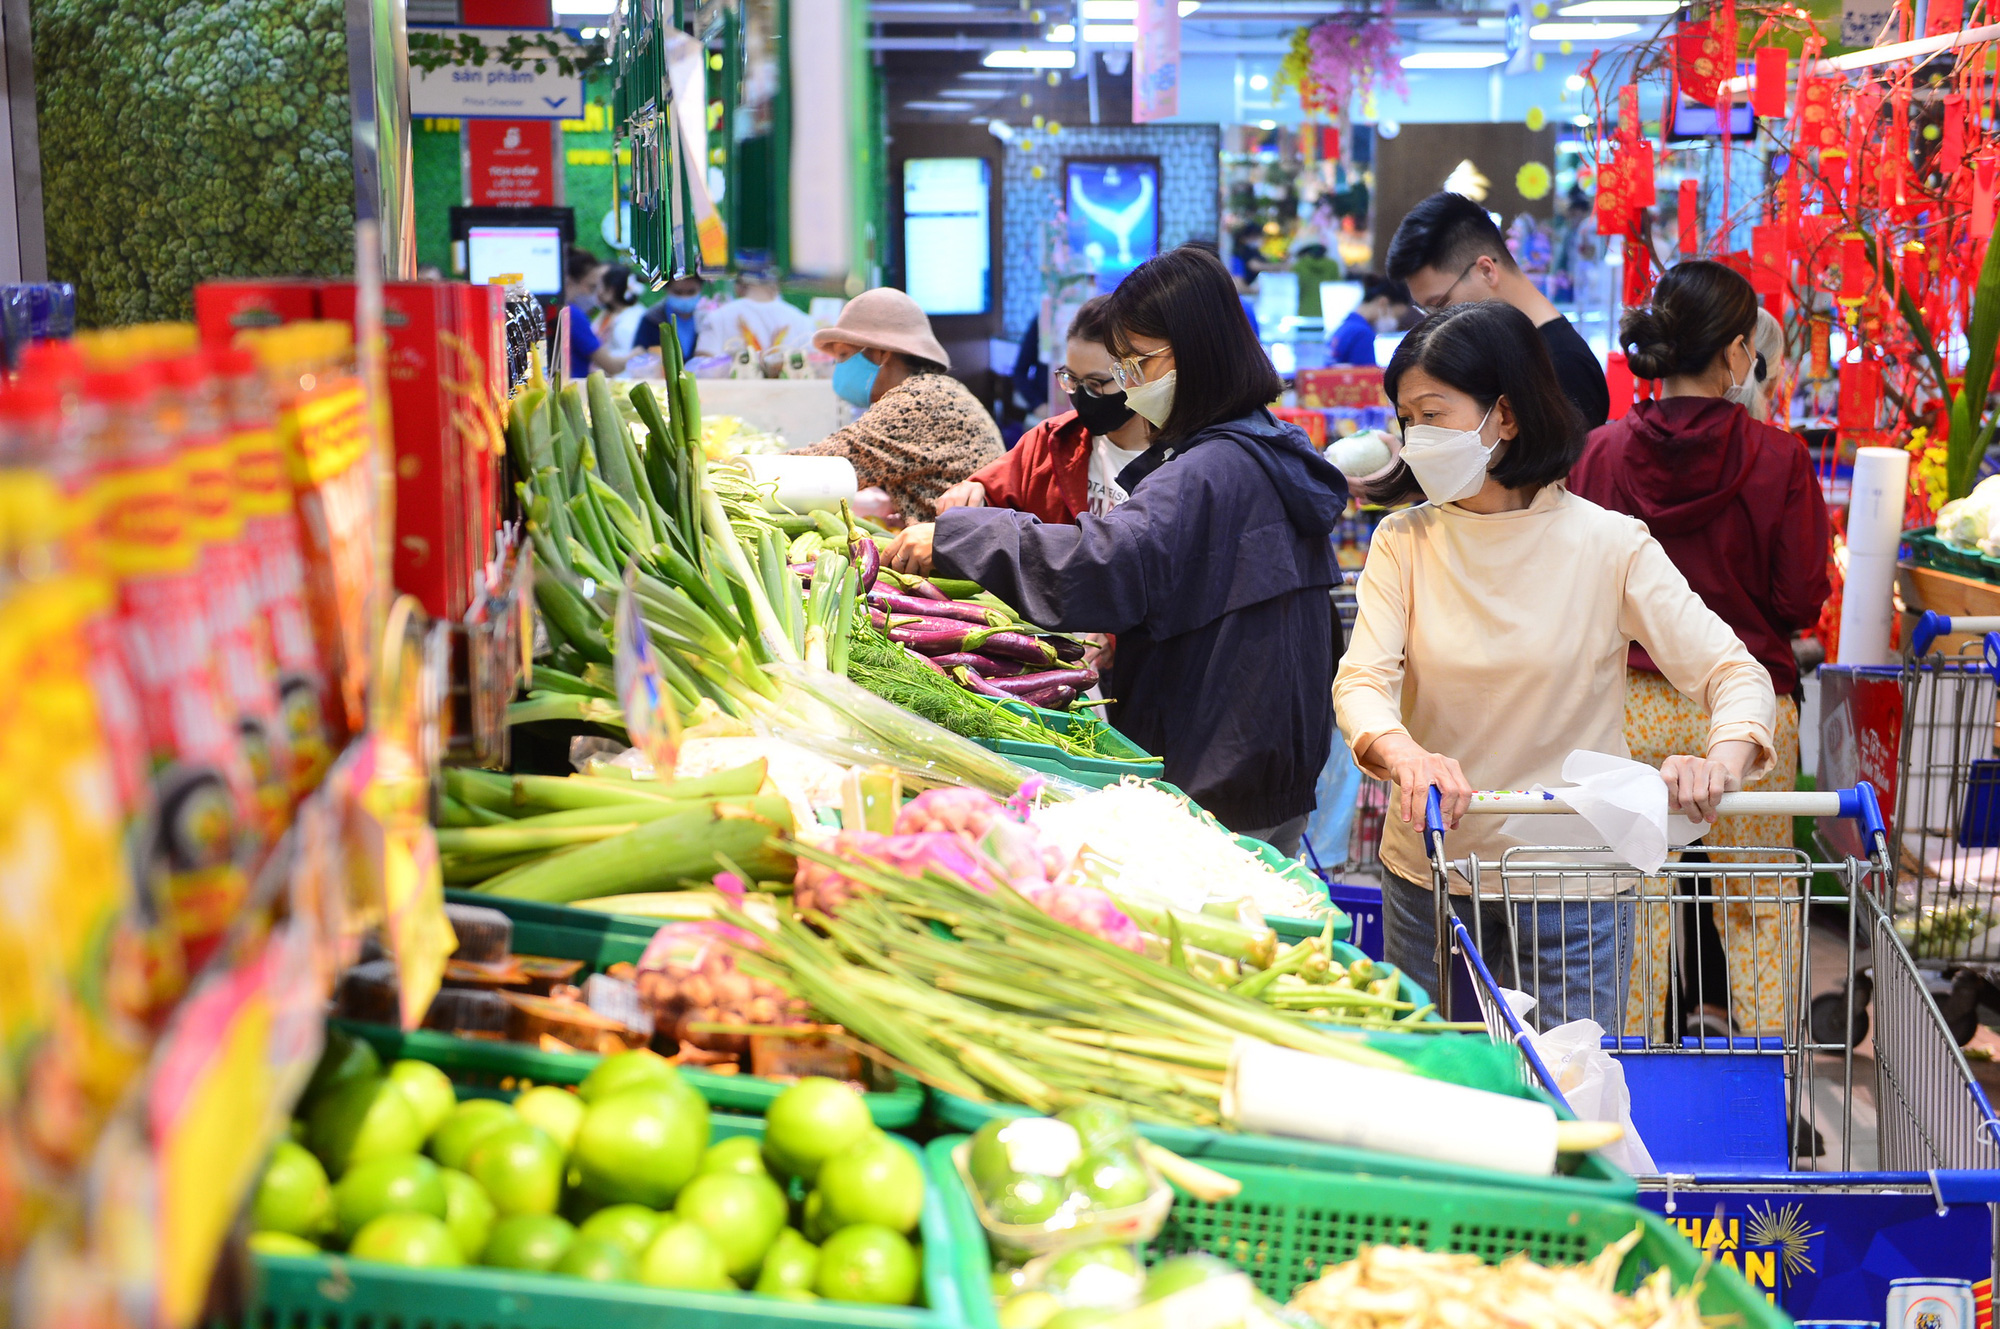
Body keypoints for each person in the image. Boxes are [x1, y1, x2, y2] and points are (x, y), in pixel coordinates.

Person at [1331, 300, 1775, 1028]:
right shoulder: (1403, 541)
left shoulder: (1608, 543)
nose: (1414, 439)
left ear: (1504, 415)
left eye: (1432, 413)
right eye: (1405, 419)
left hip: (1574, 884)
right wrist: (1405, 754)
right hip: (1433, 869)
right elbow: (1362, 682)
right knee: (1440, 1088)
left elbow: (1733, 671)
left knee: (1563, 1100)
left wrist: (1718, 761)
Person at [881, 244, 1351, 851]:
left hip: (1220, 772)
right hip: (1266, 758)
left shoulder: (1211, 469)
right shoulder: (1268, 443)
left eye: (1139, 364)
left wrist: (958, 537)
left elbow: (1104, 560)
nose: (1128, 387)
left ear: (1199, 353)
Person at [1567, 260, 1831, 1040]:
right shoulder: (1780, 459)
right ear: (1737, 351)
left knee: (1639, 903)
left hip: (1635, 704)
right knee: (1758, 904)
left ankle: (1638, 1086)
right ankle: (1765, 1091)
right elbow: (1797, 599)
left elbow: (1582, 589)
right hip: (1743, 715)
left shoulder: (1602, 452)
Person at [1386, 192, 1611, 429]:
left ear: (1486, 270)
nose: (1436, 322)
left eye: (1439, 305)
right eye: (1426, 311)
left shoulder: (1564, 366)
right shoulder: (1501, 350)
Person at [790, 287, 1002, 523]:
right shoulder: (939, 390)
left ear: (880, 354)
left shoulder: (916, 402)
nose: (838, 368)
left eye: (843, 356)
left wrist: (743, 467)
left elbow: (822, 466)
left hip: (957, 551)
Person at [934, 296, 1153, 523]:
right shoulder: (1052, 440)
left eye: (1095, 383)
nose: (1081, 395)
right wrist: (971, 493)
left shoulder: (1176, 462)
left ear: (1134, 376)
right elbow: (990, 487)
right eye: (1072, 379)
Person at [694, 265, 818, 358]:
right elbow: (818, 369)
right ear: (778, 283)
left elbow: (701, 367)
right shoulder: (803, 321)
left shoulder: (717, 318)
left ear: (738, 285)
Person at [562, 247, 632, 380]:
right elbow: (611, 366)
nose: (594, 294)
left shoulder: (562, 311)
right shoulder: (572, 315)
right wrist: (638, 353)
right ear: (571, 281)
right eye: (591, 287)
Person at [1330, 275, 1409, 368]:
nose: (1395, 323)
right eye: (1396, 316)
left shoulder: (1346, 326)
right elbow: (1367, 377)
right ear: (1383, 303)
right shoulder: (1362, 333)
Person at [634, 271, 706, 361]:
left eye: (691, 292)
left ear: (700, 289)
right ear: (667, 289)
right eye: (678, 292)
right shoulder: (652, 319)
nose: (684, 297)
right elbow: (639, 356)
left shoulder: (707, 318)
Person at [595, 264, 646, 354]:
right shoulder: (610, 312)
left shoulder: (627, 325)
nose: (596, 291)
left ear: (611, 290)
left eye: (599, 285)